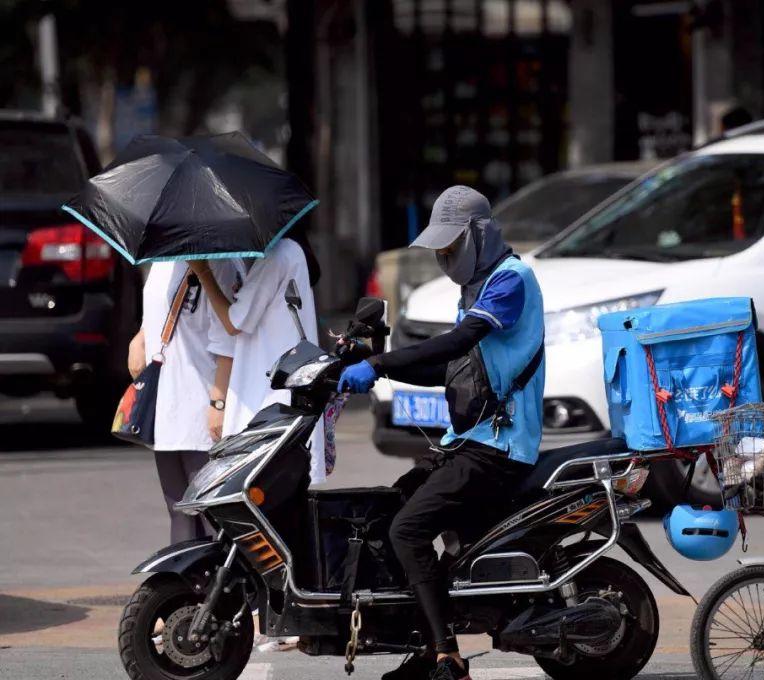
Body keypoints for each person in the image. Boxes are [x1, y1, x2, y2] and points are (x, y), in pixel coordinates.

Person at [338, 185, 545, 680]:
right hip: (470, 442)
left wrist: (380, 362)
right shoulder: (473, 288)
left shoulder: (511, 280)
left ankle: (446, 655)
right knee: (388, 517)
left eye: (451, 247)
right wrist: (374, 368)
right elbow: (451, 368)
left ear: (478, 235)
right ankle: (428, 645)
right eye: (440, 250)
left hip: (501, 446)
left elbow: (460, 341)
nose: (445, 257)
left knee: (407, 530)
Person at [191, 235, 327, 485]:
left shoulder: (276, 255)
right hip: (284, 387)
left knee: (260, 493)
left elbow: (234, 323)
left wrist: (203, 274)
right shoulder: (291, 251)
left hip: (267, 395)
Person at [128, 260, 242, 543]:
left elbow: (230, 337)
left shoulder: (221, 262)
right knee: (178, 508)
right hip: (165, 405)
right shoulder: (161, 261)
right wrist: (140, 338)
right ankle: (182, 587)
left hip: (200, 403)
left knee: (207, 510)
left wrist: (218, 402)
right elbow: (157, 313)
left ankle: (219, 585)